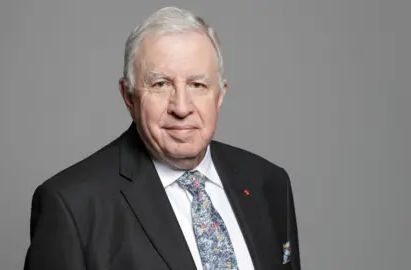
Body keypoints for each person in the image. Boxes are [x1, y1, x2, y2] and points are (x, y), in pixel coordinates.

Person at [24, 6, 301, 270]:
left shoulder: (269, 184)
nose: (181, 107)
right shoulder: (72, 206)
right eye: (160, 84)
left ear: (220, 95)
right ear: (128, 96)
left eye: (197, 85)